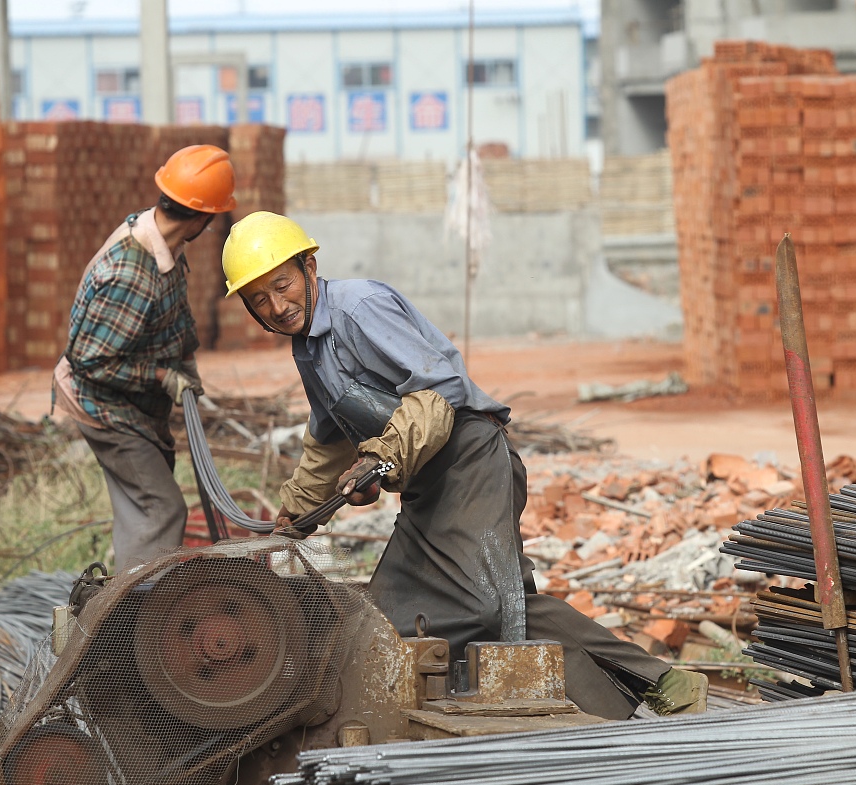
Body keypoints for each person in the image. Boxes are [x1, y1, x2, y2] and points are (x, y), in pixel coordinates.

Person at [219, 211, 708, 720]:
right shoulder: (308, 348)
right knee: (389, 619)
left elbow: (441, 387)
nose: (277, 306)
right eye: (260, 299)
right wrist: (296, 514)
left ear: (309, 267)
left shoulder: (359, 308)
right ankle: (608, 716)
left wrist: (381, 458)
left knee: (492, 606)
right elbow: (327, 440)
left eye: (282, 286)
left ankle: (662, 681)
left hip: (470, 461)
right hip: (425, 485)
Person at [52, 145, 237, 568]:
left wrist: (184, 363)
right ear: (201, 217)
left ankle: (128, 586)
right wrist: (161, 377)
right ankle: (136, 604)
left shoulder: (161, 239)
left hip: (126, 401)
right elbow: (91, 363)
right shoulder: (131, 274)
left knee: (143, 505)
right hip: (101, 406)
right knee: (160, 508)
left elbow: (172, 313)